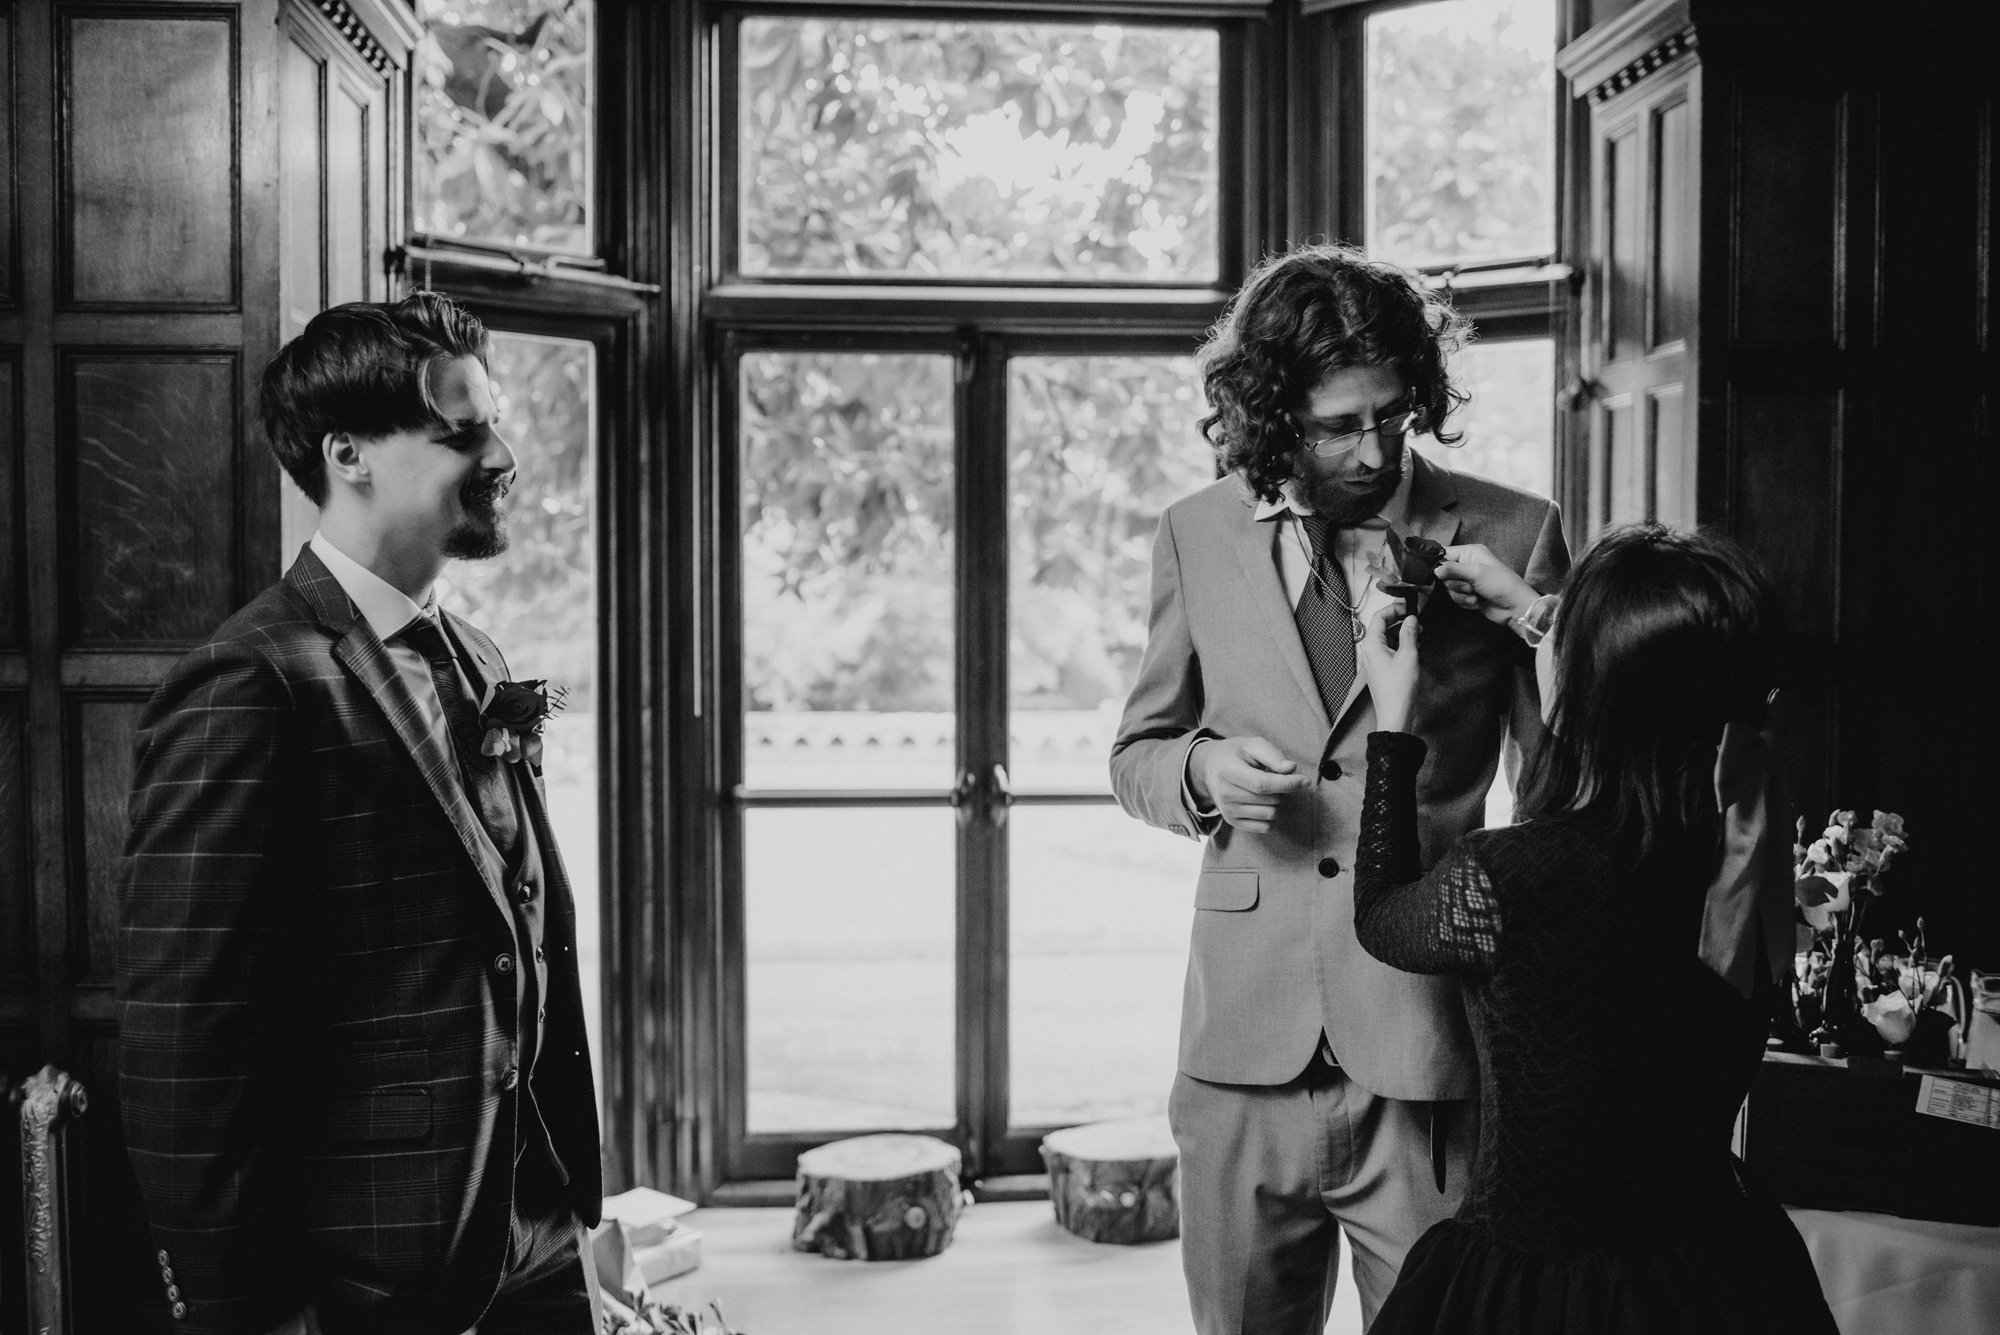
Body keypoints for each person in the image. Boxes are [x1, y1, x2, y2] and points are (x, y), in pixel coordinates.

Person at [118, 293, 602, 1335]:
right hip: (369, 1273)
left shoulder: (478, 658)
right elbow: (184, 1048)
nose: (504, 453)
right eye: (462, 431)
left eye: (497, 421)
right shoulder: (250, 685)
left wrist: (558, 1218)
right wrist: (247, 1311)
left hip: (533, 1236)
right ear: (349, 455)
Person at [1109, 242, 1569, 1333]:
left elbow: (1567, 782)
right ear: (1272, 413)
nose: (1371, 449)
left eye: (1392, 415)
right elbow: (1136, 753)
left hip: (1424, 1046)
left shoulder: (1512, 532)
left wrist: (1528, 620)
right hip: (1239, 1049)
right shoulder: (1197, 532)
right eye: (1336, 424)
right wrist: (1204, 772)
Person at [1352, 523, 1837, 1333]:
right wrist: (1532, 614)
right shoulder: (1746, 853)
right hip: (1717, 1273)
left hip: (1541, 1295)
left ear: (1585, 696)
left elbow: (1380, 917)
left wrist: (1391, 727)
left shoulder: (1511, 876)